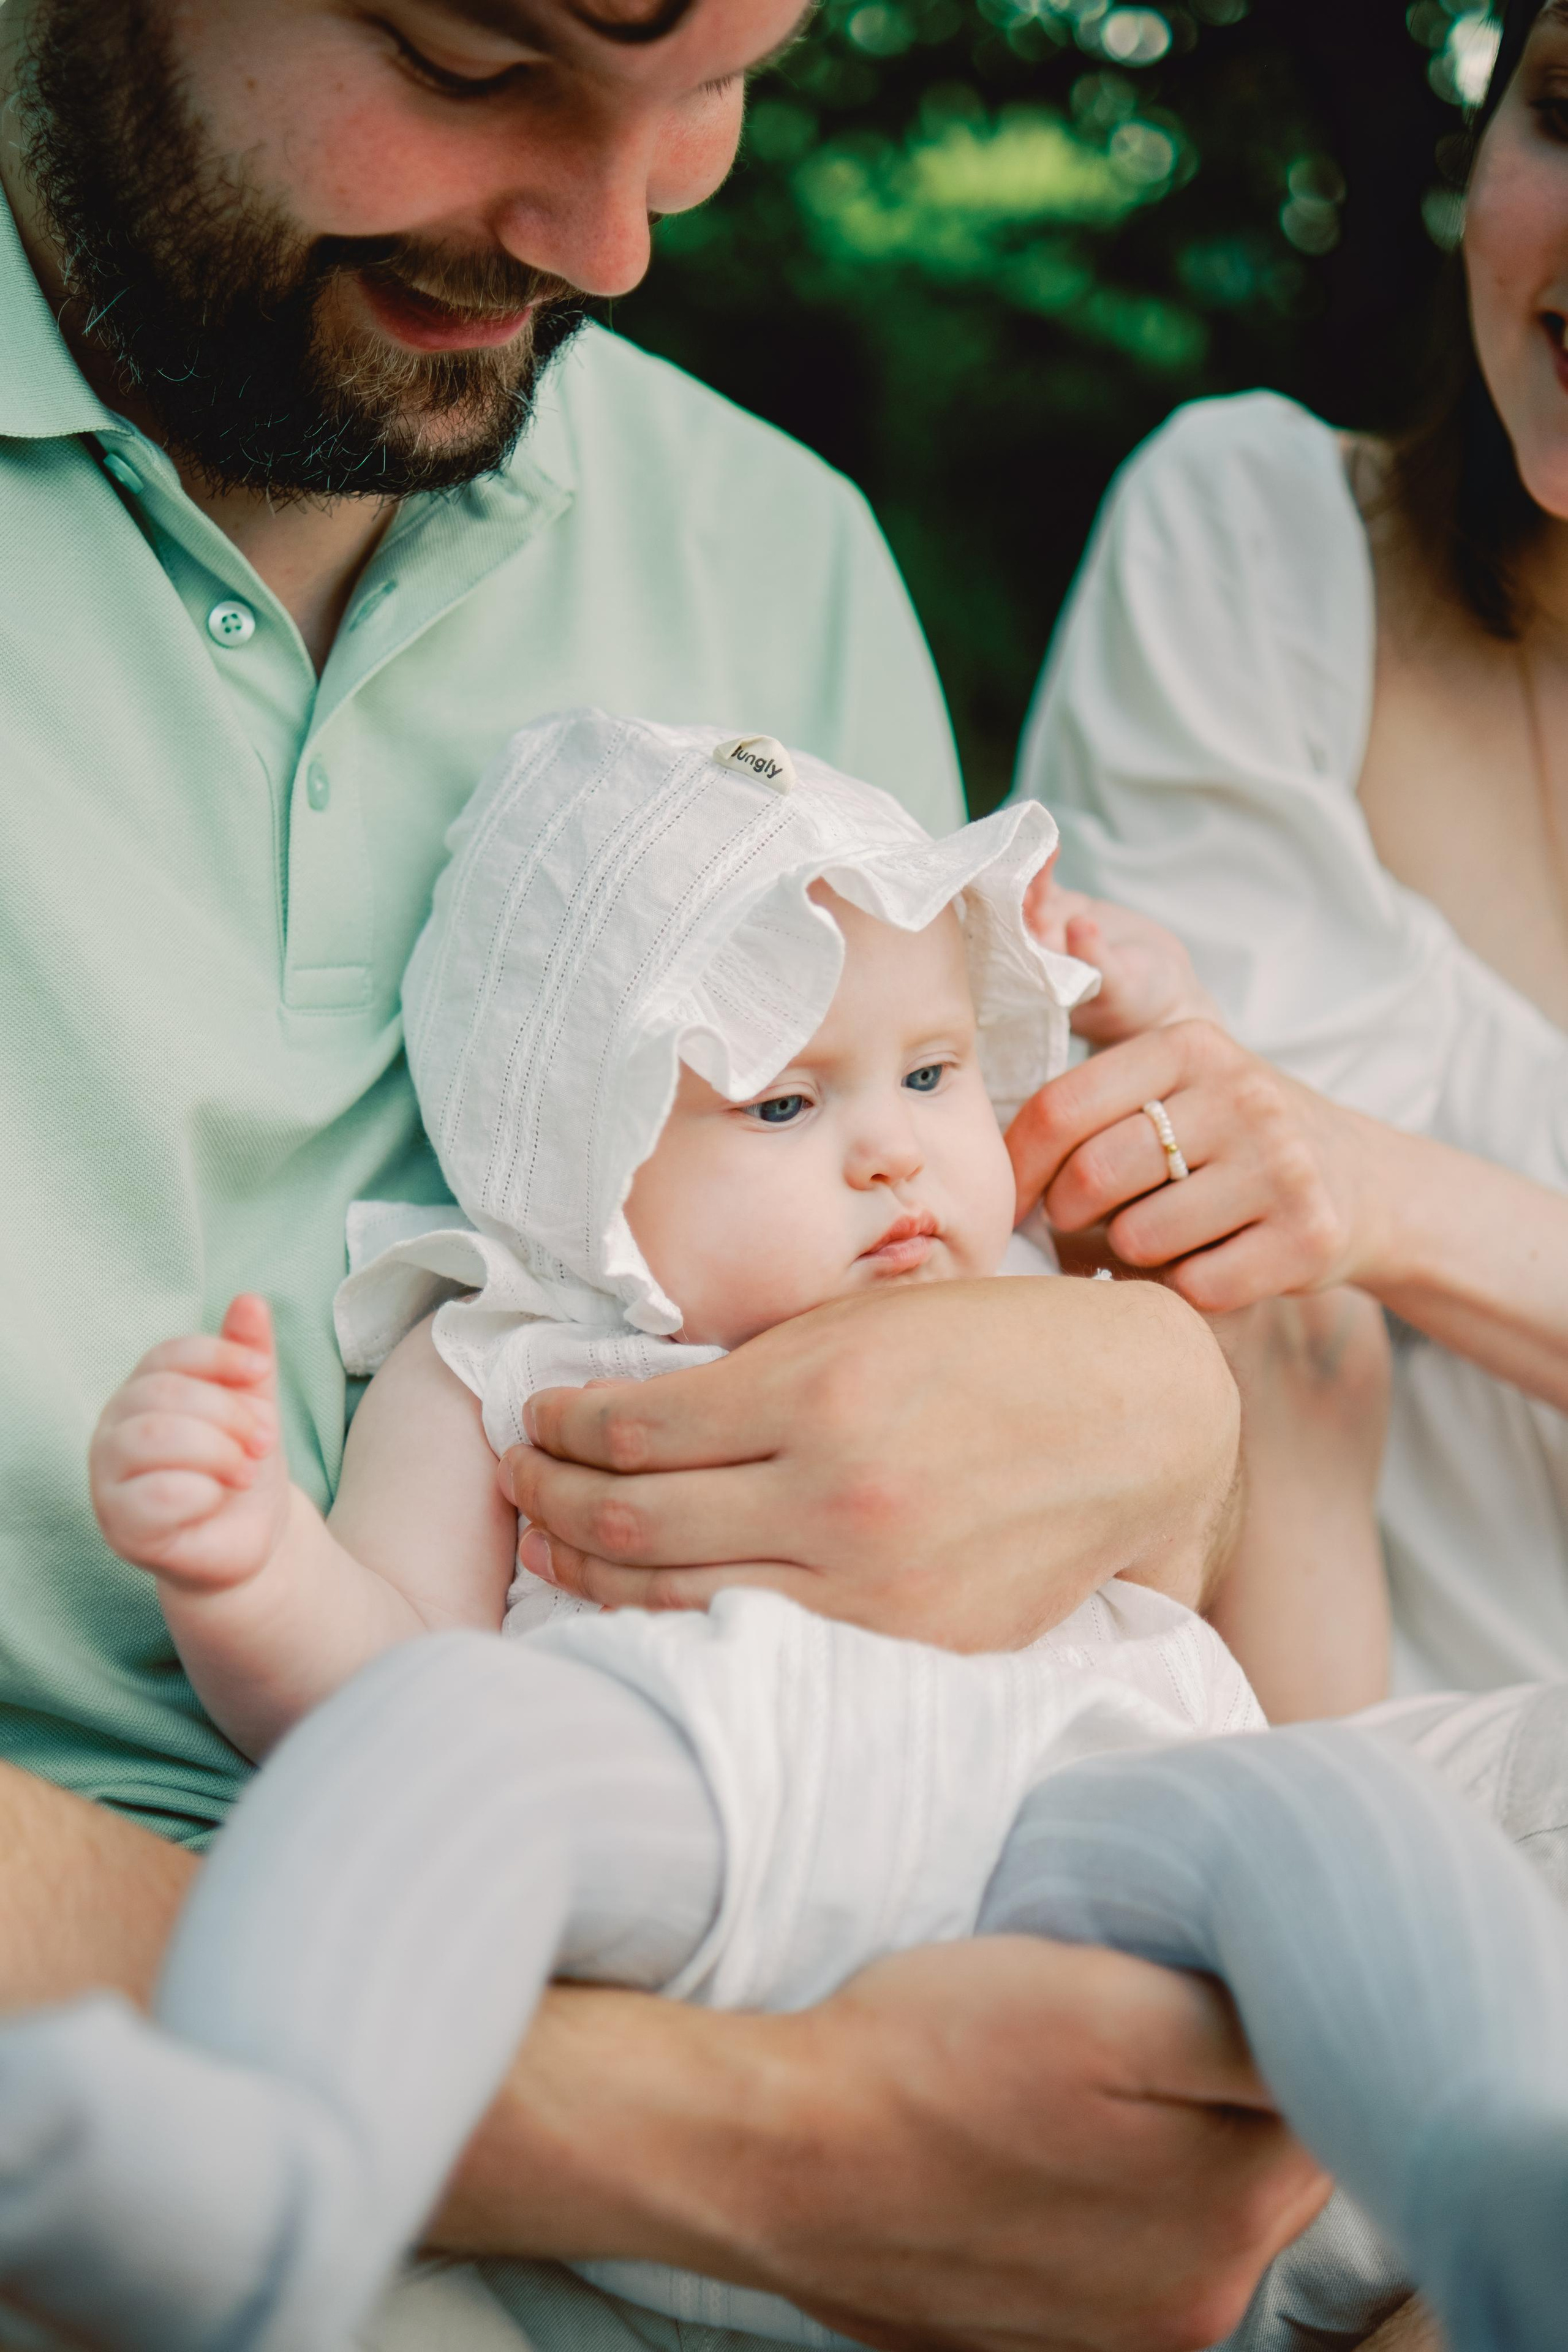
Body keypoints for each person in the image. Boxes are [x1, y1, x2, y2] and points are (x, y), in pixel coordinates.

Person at [0, 2, 1336, 2345]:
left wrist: (1161, 1413)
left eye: (719, 79)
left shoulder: (775, 561)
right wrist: (767, 2145)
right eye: (477, 53)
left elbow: (1041, 1399)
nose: (616, 234)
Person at [23, 714, 1567, 2352]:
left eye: (928, 1072)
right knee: (443, 1739)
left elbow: (1213, 1282)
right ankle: (278, 2161)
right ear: (577, 1160)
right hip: (724, 1833)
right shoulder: (506, 1353)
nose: (894, 1145)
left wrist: (1145, 1013)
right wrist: (247, 1562)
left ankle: (1488, 2167)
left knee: (1328, 1808)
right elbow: (376, 1672)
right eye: (779, 1106)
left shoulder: (1009, 1272)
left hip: (1096, 1822)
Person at [1011, 0, 1568, 1705]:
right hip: (1307, 1795)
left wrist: (1375, 1187)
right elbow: (1183, 1252)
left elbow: (1289, 1167)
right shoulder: (1247, 544)